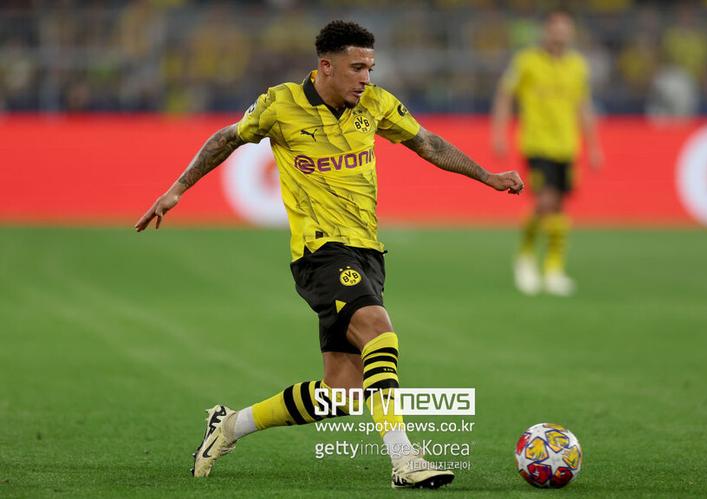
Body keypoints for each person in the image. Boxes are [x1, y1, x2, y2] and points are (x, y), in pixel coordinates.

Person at [135, 20, 523, 489]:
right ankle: (405, 459)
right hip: (319, 253)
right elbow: (225, 138)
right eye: (357, 68)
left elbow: (428, 143)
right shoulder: (280, 104)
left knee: (342, 393)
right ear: (326, 66)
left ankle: (230, 425)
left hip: (367, 251)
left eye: (370, 68)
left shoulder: (376, 104)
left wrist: (487, 177)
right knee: (379, 330)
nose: (366, 78)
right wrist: (177, 189)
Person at [491, 9, 602, 296]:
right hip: (537, 144)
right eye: (556, 28)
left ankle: (553, 269)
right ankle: (526, 258)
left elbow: (584, 106)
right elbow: (505, 94)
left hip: (567, 145)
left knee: (559, 207)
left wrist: (593, 145)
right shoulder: (527, 61)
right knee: (545, 201)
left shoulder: (577, 66)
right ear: (547, 31)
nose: (561, 33)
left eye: (566, 28)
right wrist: (499, 133)